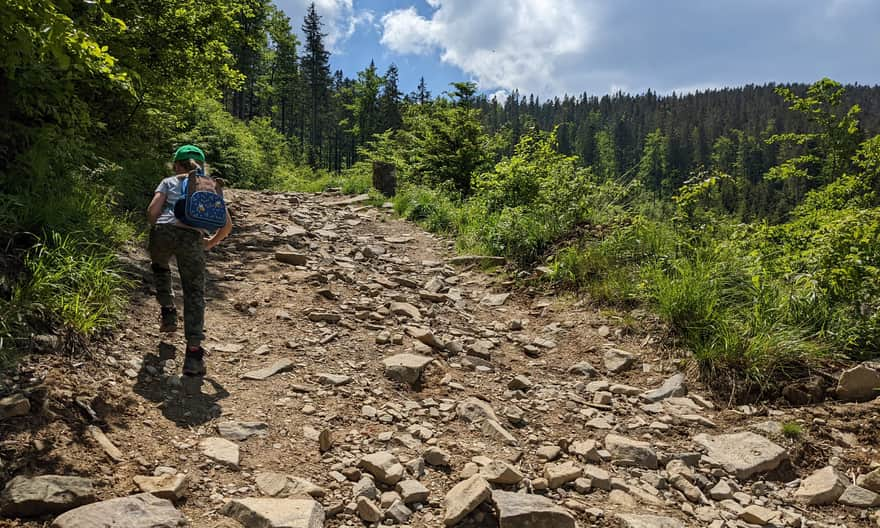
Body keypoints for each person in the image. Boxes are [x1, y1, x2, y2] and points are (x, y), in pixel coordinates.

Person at [146, 145, 232, 376]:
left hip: (163, 232)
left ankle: (168, 311)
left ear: (176, 165)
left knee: (161, 267)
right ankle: (193, 355)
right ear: (202, 165)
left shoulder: (168, 182)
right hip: (193, 239)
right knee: (194, 292)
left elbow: (152, 211)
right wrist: (208, 243)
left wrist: (158, 231)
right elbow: (226, 226)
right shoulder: (209, 185)